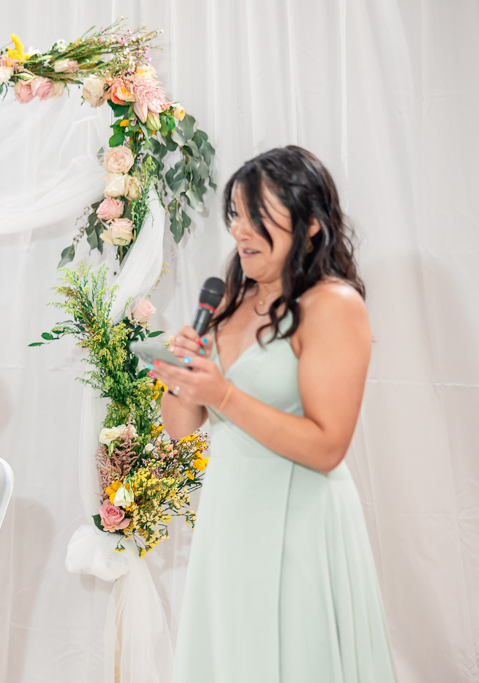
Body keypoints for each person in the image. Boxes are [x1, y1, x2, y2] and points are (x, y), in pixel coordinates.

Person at [153, 146, 397, 682]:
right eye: (236, 214)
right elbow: (181, 428)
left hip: (300, 519)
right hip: (229, 514)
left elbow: (329, 444)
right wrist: (181, 377)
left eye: (258, 215)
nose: (241, 230)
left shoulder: (333, 305)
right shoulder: (231, 302)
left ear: (310, 224)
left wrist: (222, 395)